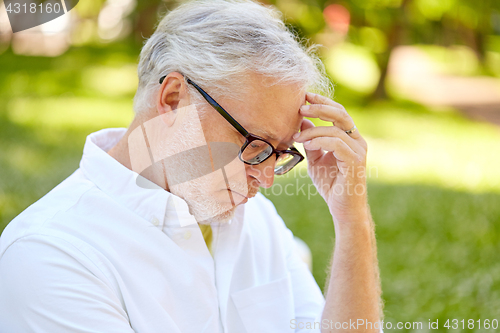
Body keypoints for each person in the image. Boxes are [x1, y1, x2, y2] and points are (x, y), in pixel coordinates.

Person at [0, 0, 382, 332]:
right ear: (172, 98)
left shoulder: (258, 221)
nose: (266, 178)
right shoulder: (50, 254)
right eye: (254, 145)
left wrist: (353, 221)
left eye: (280, 153)